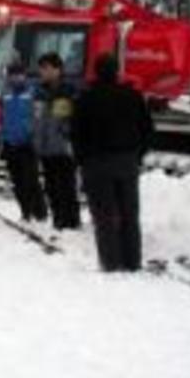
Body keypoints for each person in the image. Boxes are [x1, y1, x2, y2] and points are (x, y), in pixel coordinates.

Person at [72, 54, 153, 272]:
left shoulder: (85, 99)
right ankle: (132, 260)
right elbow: (147, 130)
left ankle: (110, 261)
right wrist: (137, 155)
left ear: (96, 72)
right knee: (129, 214)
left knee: (104, 215)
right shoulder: (133, 96)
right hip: (127, 161)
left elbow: (76, 134)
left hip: (97, 164)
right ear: (117, 71)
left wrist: (82, 160)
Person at [34, 52, 81, 230]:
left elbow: (75, 119)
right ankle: (58, 219)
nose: (42, 72)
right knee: (51, 186)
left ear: (57, 69)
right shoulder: (39, 91)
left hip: (63, 147)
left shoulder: (69, 91)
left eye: (46, 68)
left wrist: (68, 134)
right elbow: (36, 119)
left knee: (66, 185)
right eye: (41, 68)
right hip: (45, 147)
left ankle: (71, 220)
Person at [0, 61, 47, 222]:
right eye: (11, 75)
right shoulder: (5, 92)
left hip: (28, 143)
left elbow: (40, 117)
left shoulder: (34, 92)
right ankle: (25, 212)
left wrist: (35, 136)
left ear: (24, 75)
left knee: (31, 180)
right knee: (17, 181)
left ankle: (40, 213)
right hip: (10, 142)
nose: (15, 78)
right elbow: (2, 116)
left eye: (18, 75)